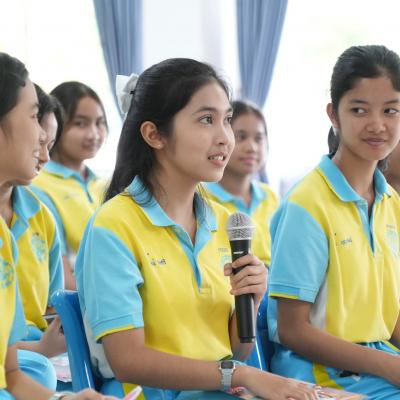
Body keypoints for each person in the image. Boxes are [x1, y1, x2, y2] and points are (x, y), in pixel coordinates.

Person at [75, 58, 317, 400]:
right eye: (206, 120)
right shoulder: (112, 226)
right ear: (154, 134)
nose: (225, 138)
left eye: (227, 120)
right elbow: (127, 361)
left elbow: (234, 351)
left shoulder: (224, 222)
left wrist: (251, 299)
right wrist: (239, 374)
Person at [267, 44, 400, 398]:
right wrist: (389, 366)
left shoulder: (390, 203)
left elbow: (390, 314)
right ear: (334, 115)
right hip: (317, 372)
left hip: (376, 364)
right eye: (359, 110)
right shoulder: (307, 205)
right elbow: (293, 330)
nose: (377, 125)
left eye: (391, 110)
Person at [0, 51, 116, 400]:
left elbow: (9, 373)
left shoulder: (10, 234)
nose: (42, 141)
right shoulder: (49, 193)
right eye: (33, 116)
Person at [32, 81, 108, 290]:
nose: (94, 134)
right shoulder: (38, 185)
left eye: (99, 122)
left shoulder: (103, 183)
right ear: (55, 125)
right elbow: (61, 276)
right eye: (80, 123)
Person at [205, 100, 279, 267]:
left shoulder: (271, 197)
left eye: (259, 138)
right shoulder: (202, 199)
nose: (252, 147)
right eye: (241, 137)